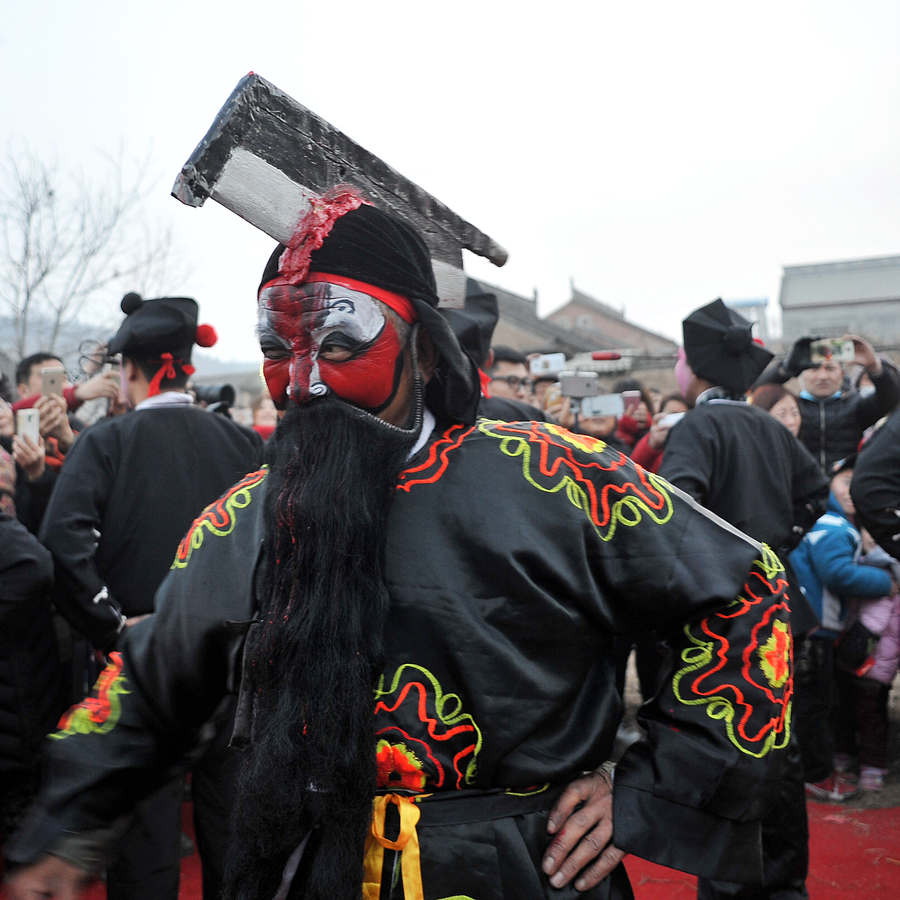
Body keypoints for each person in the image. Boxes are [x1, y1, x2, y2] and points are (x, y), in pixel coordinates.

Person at [8, 195, 796, 900]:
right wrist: (68, 827)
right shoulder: (244, 519)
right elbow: (150, 679)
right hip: (312, 866)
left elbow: (748, 589)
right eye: (279, 346)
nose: (303, 381)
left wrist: (645, 782)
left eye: (340, 342)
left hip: (521, 868)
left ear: (422, 351)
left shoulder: (557, 479)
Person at [31, 292, 263, 900]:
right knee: (230, 835)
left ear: (130, 369)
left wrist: (113, 625)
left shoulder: (108, 441)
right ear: (185, 364)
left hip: (142, 666)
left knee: (146, 852)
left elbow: (62, 540)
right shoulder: (242, 445)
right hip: (234, 666)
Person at [659, 298, 829, 900]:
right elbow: (817, 498)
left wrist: (719, 565)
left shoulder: (698, 427)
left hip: (722, 620)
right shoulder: (767, 426)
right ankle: (786, 886)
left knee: (727, 748)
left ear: (694, 371)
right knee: (780, 747)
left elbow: (677, 505)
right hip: (778, 608)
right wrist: (775, 545)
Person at [789, 456, 895, 801]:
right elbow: (837, 574)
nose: (851, 491)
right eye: (844, 481)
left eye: (858, 483)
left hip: (811, 625)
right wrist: (885, 582)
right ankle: (816, 774)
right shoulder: (834, 526)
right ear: (828, 483)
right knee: (815, 704)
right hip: (815, 628)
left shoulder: (828, 523)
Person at [755, 334, 899, 472]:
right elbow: (758, 394)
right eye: (814, 369)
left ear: (842, 374)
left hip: (844, 488)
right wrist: (786, 369)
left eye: (830, 368)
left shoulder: (856, 406)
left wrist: (874, 366)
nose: (822, 376)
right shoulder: (792, 407)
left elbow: (890, 398)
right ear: (801, 373)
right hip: (802, 488)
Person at [630, 392, 688, 473]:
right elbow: (632, 470)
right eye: (672, 415)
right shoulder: (654, 442)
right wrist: (651, 443)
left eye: (681, 416)